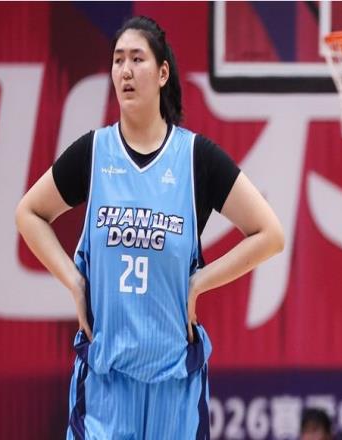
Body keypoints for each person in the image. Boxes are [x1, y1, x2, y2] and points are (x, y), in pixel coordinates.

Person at [16, 15, 284, 439]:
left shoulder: (195, 158)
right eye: (118, 59)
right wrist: (75, 283)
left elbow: (270, 234)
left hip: (173, 384)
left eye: (137, 59)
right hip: (105, 382)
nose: (125, 70)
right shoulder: (94, 152)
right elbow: (29, 213)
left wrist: (199, 283)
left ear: (162, 73)